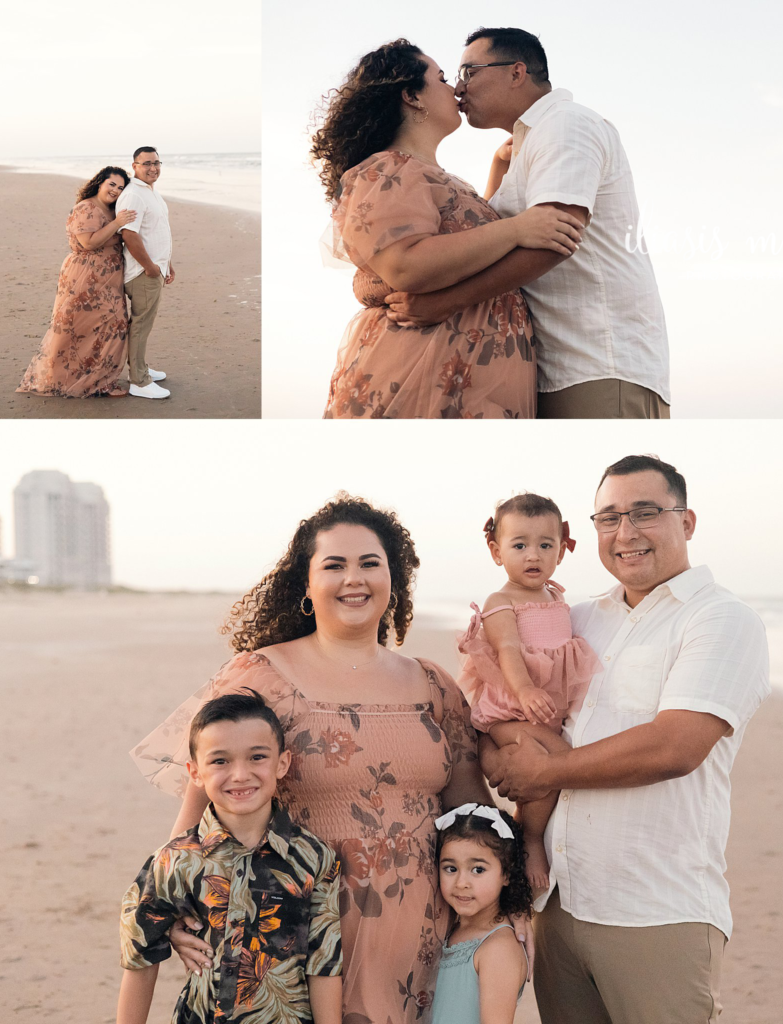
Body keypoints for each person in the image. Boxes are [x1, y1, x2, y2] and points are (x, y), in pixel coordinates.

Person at [131, 495, 492, 1022]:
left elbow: (470, 810)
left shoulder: (435, 684)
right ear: (307, 583)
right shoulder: (260, 676)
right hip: (290, 929)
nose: (355, 578)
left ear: (395, 578)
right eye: (335, 565)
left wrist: (503, 897)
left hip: (420, 932)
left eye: (371, 563)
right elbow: (200, 809)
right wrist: (178, 905)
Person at [484, 455, 770, 1023]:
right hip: (559, 905)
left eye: (645, 513)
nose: (626, 533)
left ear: (686, 522)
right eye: (609, 517)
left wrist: (542, 773)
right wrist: (497, 750)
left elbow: (675, 747)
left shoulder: (720, 619)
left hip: (656, 910)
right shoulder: (578, 617)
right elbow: (505, 690)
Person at [386, 28, 670, 420]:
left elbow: (555, 237)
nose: (459, 89)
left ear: (517, 72)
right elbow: (484, 240)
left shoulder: (565, 125)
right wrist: (500, 167)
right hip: (553, 367)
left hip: (596, 363)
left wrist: (444, 303)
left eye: (469, 72)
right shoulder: (528, 145)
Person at [310, 39, 583, 419]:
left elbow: (463, 246)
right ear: (412, 96)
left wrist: (499, 169)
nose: (456, 87)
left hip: (470, 369)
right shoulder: (387, 170)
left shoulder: (433, 176)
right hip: (423, 367)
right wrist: (516, 229)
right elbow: (404, 264)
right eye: (441, 78)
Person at [117, 691, 342, 1024]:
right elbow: (140, 961)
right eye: (220, 761)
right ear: (195, 772)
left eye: (256, 758)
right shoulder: (173, 861)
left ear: (282, 764)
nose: (240, 774)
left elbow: (323, 966)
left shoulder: (315, 859)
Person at [456, 494, 598, 892]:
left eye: (545, 545)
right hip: (511, 710)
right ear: (496, 552)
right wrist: (526, 690)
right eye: (519, 545)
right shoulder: (501, 601)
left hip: (543, 709)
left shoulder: (556, 598)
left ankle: (526, 829)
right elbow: (508, 651)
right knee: (555, 762)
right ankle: (529, 836)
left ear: (561, 551)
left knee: (551, 766)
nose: (533, 555)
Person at [16, 167, 134, 398]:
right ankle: (69, 379)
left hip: (109, 279)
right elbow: (88, 243)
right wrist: (117, 222)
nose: (116, 190)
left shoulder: (112, 209)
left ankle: (101, 381)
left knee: (113, 325)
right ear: (100, 182)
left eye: (120, 188)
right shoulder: (85, 208)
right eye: (112, 184)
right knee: (76, 326)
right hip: (84, 276)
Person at [430, 805, 530, 1024]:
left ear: (506, 873)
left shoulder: (498, 948)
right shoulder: (451, 929)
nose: (461, 883)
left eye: (478, 870)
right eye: (451, 868)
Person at [115, 146, 173, 399]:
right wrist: (150, 267)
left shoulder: (151, 192)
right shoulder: (134, 195)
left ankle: (142, 369)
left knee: (144, 325)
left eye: (157, 163)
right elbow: (129, 234)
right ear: (134, 166)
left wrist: (167, 262)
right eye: (147, 163)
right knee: (140, 325)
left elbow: (157, 230)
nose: (153, 168)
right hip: (142, 272)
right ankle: (139, 381)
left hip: (155, 267)